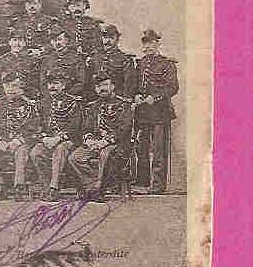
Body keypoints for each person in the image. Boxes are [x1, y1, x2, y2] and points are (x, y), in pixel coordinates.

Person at [68, 73, 134, 201]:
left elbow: (124, 129)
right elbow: (86, 127)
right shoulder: (94, 106)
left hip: (117, 144)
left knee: (106, 155)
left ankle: (97, 189)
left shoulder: (125, 105)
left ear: (113, 86)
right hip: (96, 143)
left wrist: (105, 142)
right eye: (98, 86)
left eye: (105, 85)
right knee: (74, 157)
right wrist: (89, 140)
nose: (101, 89)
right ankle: (93, 186)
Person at [129, 29, 178, 193]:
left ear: (157, 43)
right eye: (145, 43)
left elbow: (172, 87)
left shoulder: (167, 64)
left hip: (160, 113)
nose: (148, 46)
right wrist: (136, 95)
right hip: (143, 113)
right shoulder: (141, 63)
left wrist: (155, 97)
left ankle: (157, 185)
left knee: (158, 150)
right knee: (141, 148)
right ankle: (143, 182)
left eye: (151, 42)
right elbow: (136, 85)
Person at [0, 73, 41, 201]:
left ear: (21, 87)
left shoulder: (31, 106)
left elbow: (36, 128)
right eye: (7, 86)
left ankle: (19, 186)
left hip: (23, 143)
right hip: (3, 143)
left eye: (14, 86)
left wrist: (18, 141)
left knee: (22, 151)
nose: (10, 90)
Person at [29, 71, 83, 201]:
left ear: (63, 85)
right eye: (50, 84)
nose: (52, 87)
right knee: (35, 152)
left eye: (56, 83)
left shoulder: (73, 102)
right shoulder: (42, 103)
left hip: (68, 140)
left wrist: (58, 138)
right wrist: (44, 138)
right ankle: (46, 186)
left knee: (60, 150)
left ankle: (54, 188)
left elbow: (75, 127)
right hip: (48, 140)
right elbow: (36, 124)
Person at [86, 23, 136, 99]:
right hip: (95, 100)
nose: (108, 41)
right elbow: (88, 82)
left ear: (117, 39)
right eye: (105, 37)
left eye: (112, 38)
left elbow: (129, 86)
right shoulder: (95, 58)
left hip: (115, 100)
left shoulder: (125, 60)